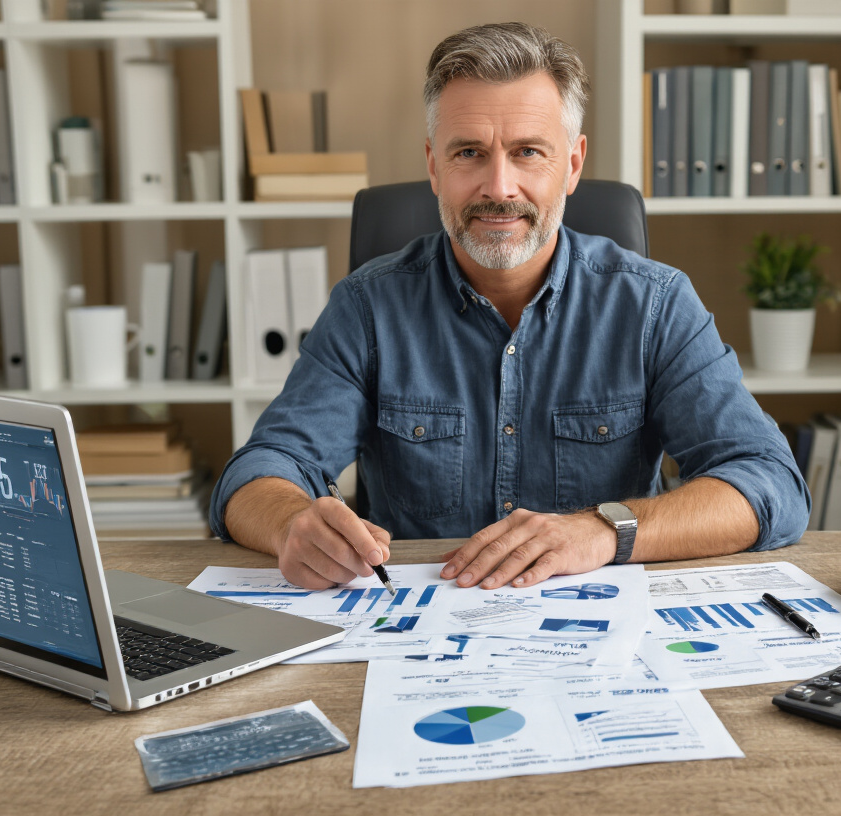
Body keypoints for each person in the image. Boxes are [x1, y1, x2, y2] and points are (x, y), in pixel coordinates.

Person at [210, 22, 810, 591]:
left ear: (572, 165)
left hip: (601, 638)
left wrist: (606, 530)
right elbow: (260, 469)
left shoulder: (655, 304)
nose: (499, 187)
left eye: (527, 152)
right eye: (469, 152)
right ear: (433, 167)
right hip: (415, 631)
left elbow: (768, 482)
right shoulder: (368, 306)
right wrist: (292, 523)